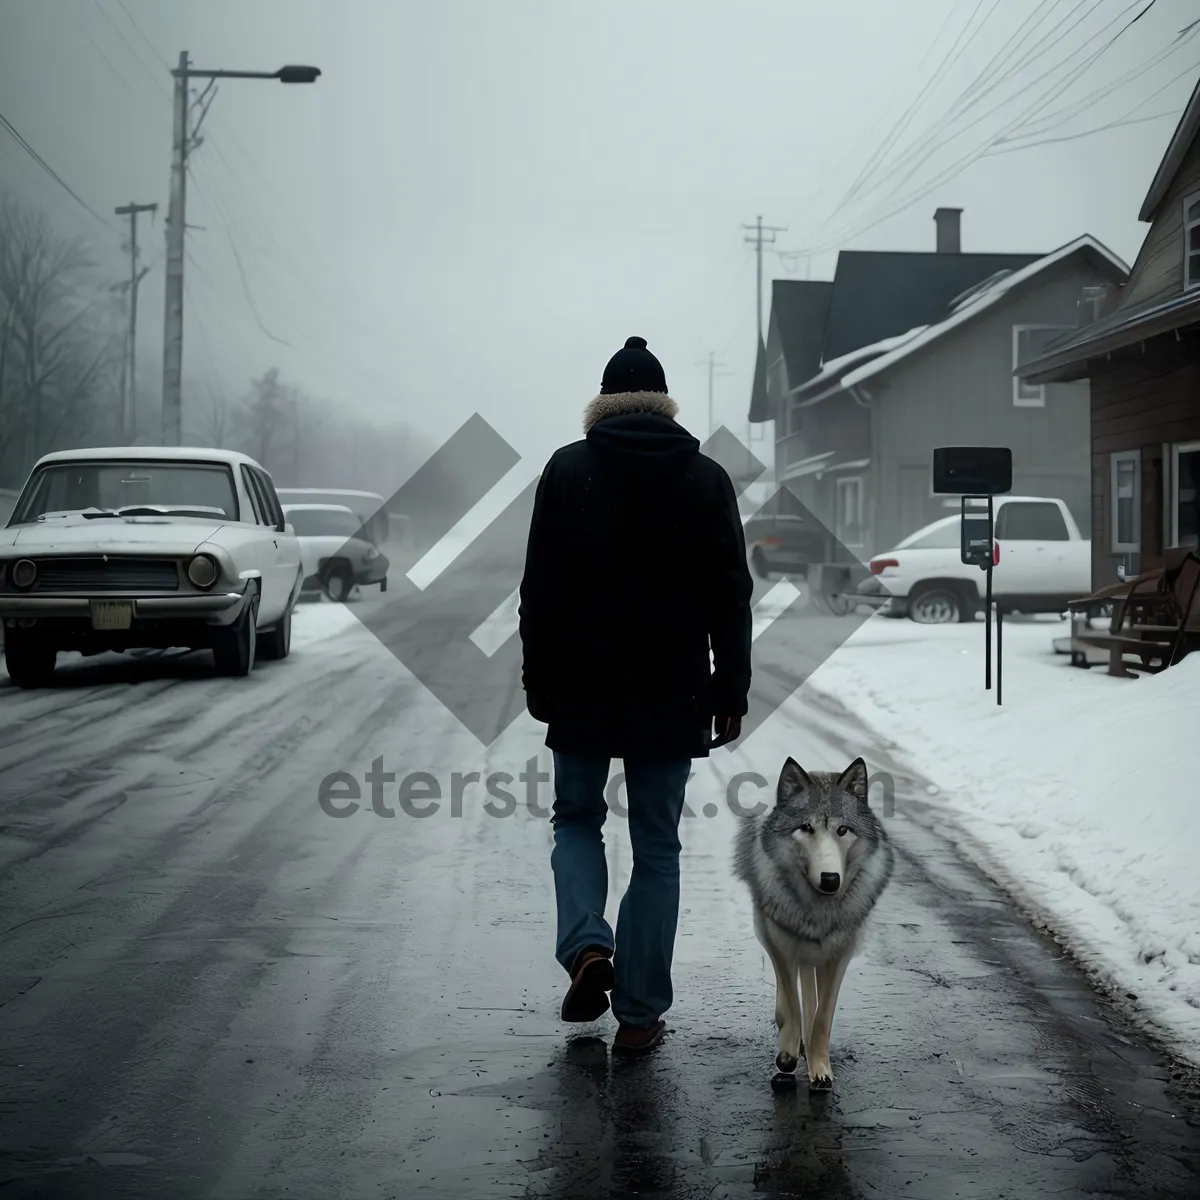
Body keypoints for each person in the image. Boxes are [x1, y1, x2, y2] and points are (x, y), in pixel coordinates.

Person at [518, 336, 753, 1056]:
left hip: (582, 685)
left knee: (576, 820)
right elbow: (731, 596)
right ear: (663, 403)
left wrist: (539, 680)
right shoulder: (706, 478)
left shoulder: (567, 471)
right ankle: (642, 1013)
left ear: (603, 404)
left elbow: (538, 591)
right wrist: (729, 689)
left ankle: (589, 947)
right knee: (657, 846)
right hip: (672, 686)